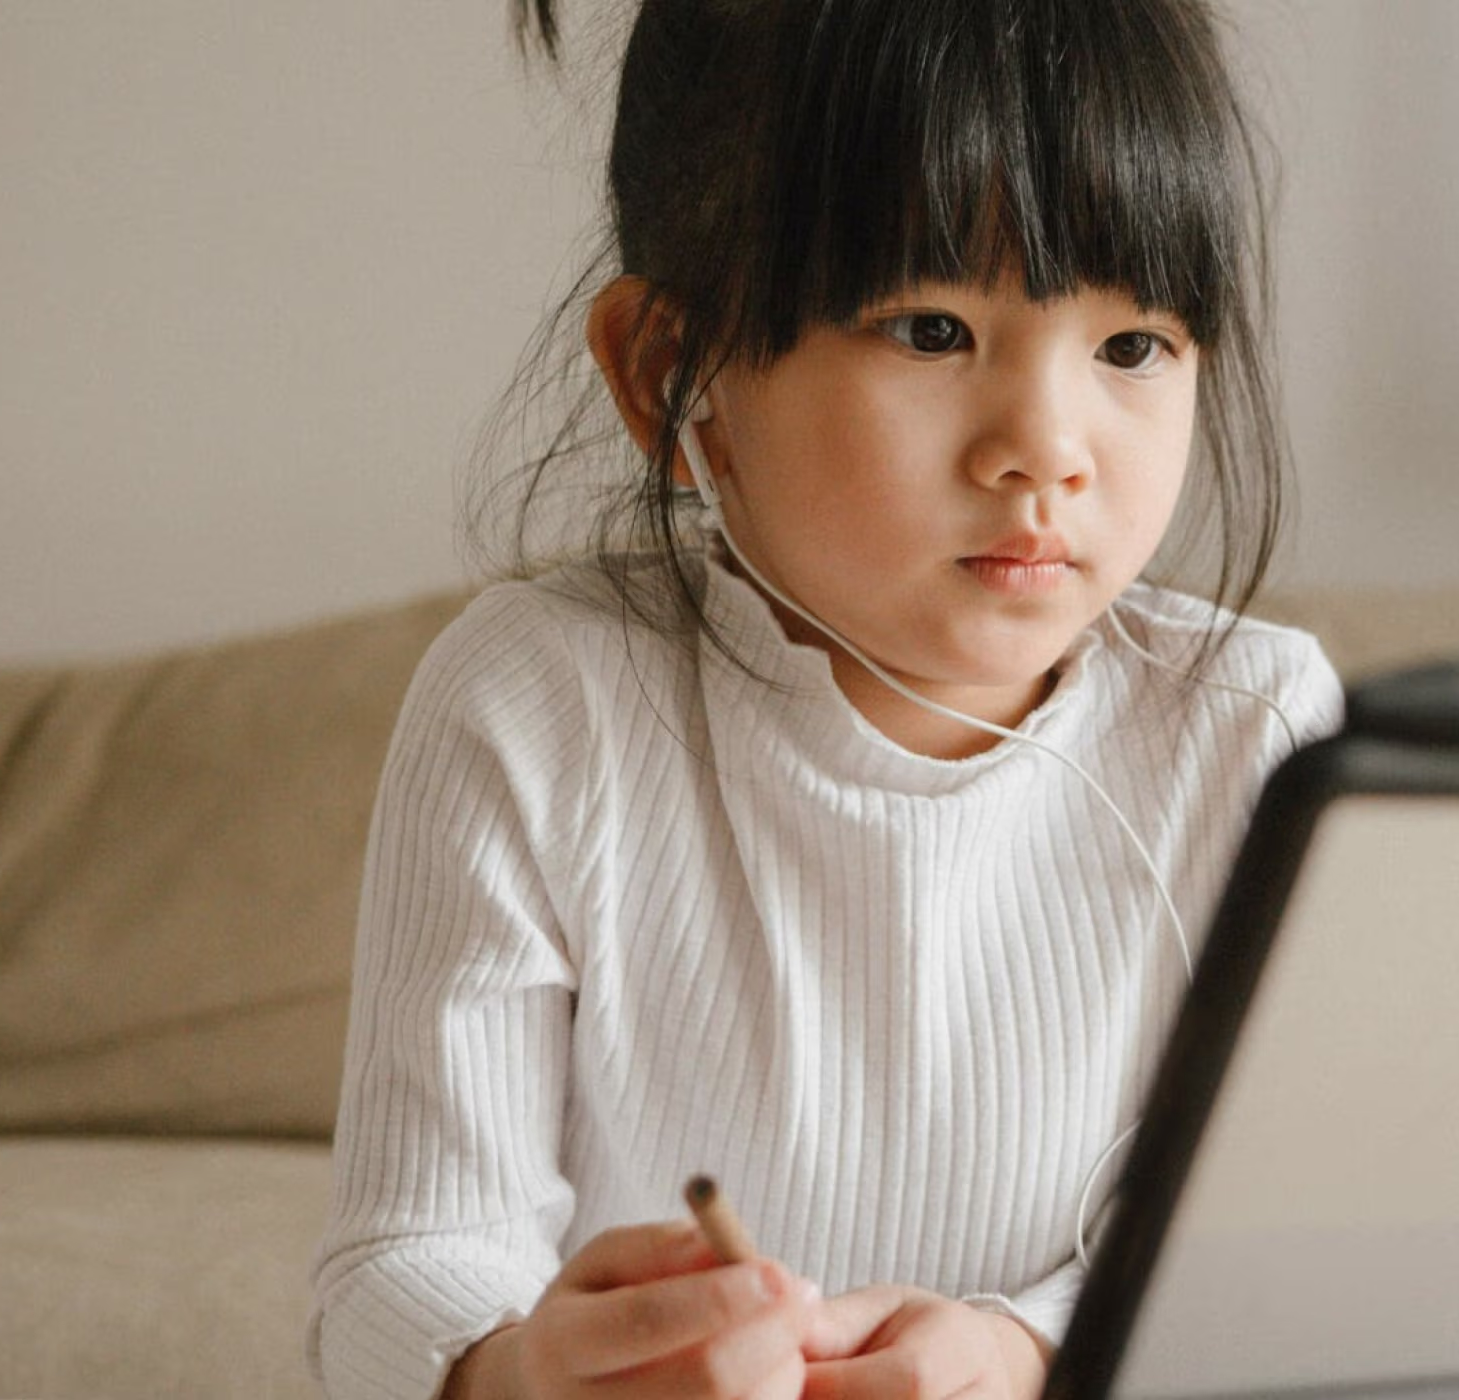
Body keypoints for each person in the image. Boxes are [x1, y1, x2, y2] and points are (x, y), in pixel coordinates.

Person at [306, 1, 1341, 1398]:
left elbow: (1283, 1244)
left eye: (1132, 347)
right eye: (932, 329)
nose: (1047, 449)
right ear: (675, 377)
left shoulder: (1256, 725)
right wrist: (520, 1373)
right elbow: (407, 1259)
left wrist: (1027, 1351)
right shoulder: (539, 702)